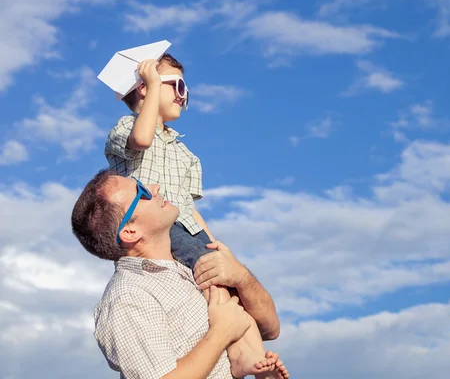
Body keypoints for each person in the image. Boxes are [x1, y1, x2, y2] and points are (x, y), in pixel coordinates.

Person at [103, 52, 284, 377]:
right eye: (177, 85)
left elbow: (188, 206)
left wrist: (216, 245)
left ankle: (250, 356)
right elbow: (142, 140)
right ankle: (244, 357)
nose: (183, 96)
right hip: (155, 223)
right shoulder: (127, 126)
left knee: (229, 286)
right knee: (216, 284)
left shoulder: (181, 149)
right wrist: (153, 83)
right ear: (145, 87)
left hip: (184, 225)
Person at [71, 170, 290, 379]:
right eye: (142, 192)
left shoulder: (189, 262)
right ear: (130, 231)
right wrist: (222, 331)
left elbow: (271, 329)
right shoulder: (126, 299)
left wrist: (242, 277)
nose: (154, 187)